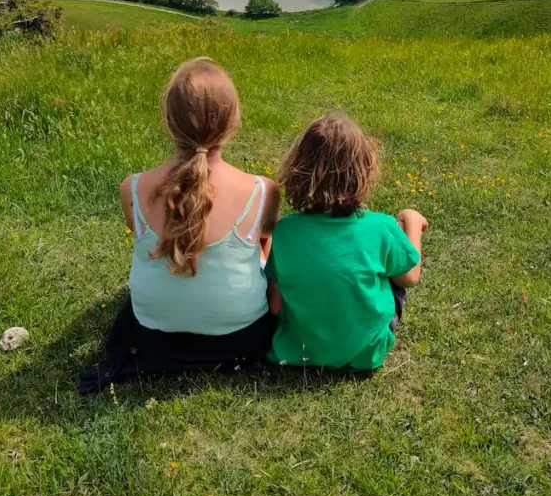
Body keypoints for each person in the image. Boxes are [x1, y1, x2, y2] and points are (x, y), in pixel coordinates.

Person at [79, 58, 280, 394]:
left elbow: (138, 234)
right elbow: (265, 243)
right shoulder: (262, 191)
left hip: (153, 336)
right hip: (241, 339)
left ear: (169, 122)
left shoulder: (133, 187)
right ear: (233, 122)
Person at [265, 111, 428, 372]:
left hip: (299, 351)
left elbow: (275, 306)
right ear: (365, 170)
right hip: (365, 353)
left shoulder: (284, 231)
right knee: (389, 269)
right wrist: (412, 223)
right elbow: (410, 277)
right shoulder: (382, 226)